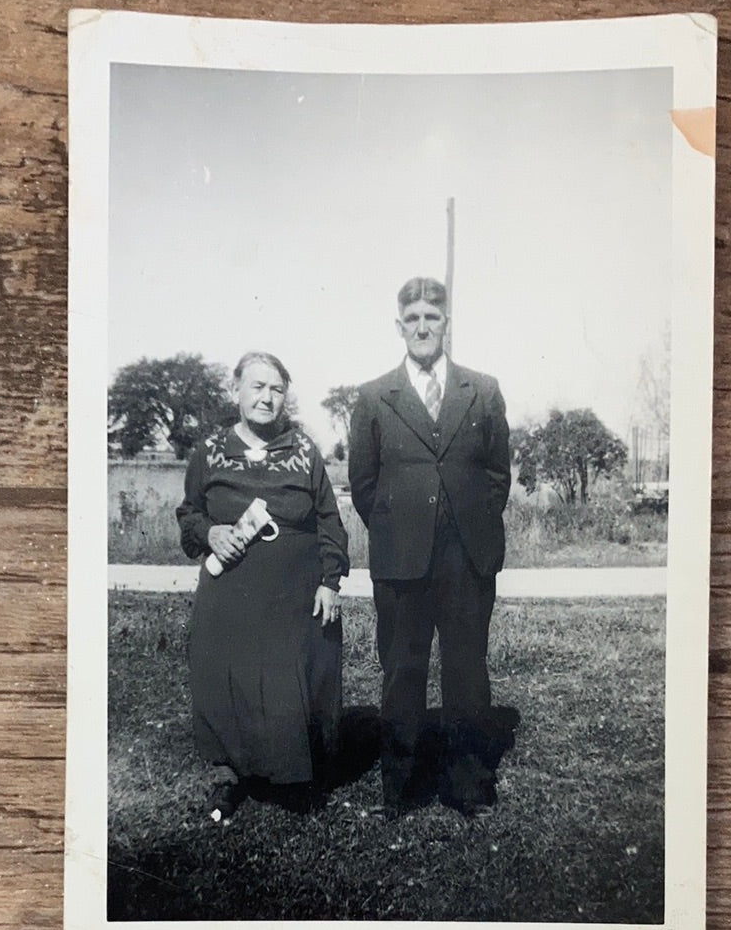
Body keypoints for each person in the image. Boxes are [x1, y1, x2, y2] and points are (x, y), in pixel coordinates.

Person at [349, 277, 511, 817]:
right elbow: (364, 484)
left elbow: (496, 475)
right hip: (401, 560)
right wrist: (400, 530)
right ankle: (402, 784)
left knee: (467, 668)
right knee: (401, 670)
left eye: (432, 318)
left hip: (467, 556)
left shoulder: (481, 390)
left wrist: (470, 526)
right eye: (413, 318)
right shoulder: (375, 396)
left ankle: (468, 783)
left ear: (447, 324)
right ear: (400, 326)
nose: (422, 327)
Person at [177, 351, 349, 820]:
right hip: (230, 592)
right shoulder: (210, 451)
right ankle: (231, 777)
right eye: (257, 386)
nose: (266, 397)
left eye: (276, 389)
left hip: (293, 594)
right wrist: (210, 533)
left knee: (287, 676)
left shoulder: (304, 451)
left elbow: (330, 520)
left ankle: (292, 773)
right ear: (236, 391)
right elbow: (189, 512)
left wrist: (330, 580)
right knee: (228, 678)